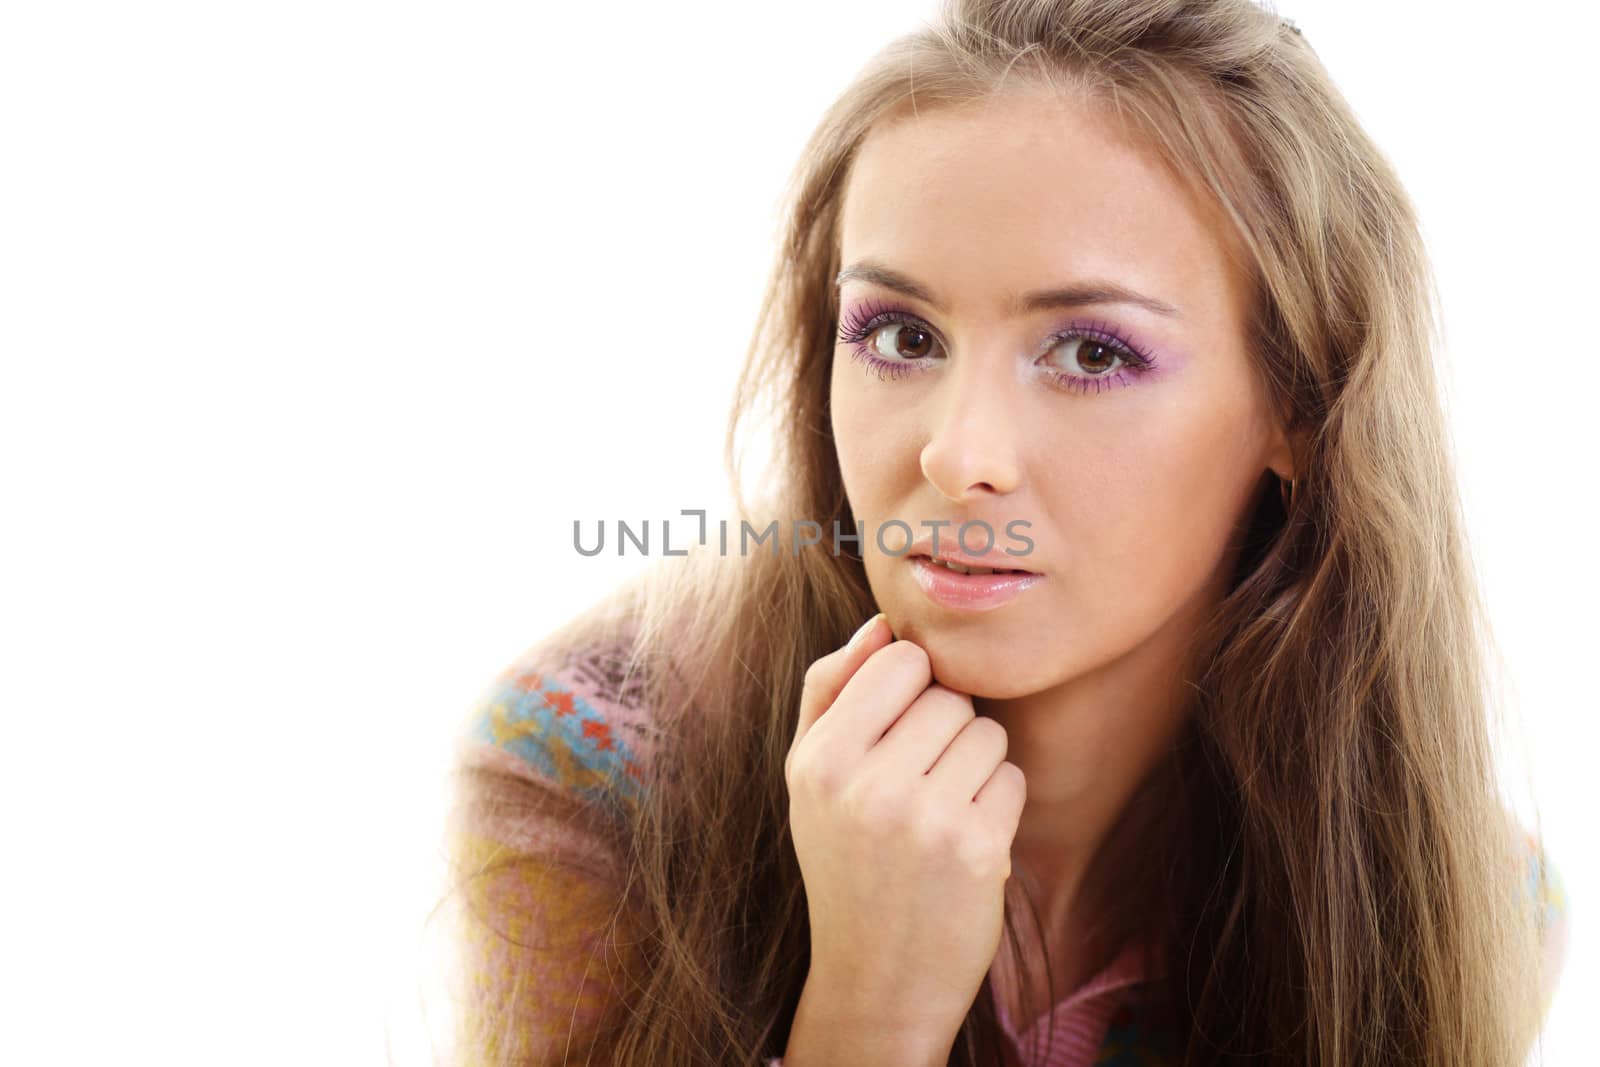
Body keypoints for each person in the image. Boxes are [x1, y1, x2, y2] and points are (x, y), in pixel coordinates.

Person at [435, 0, 1568, 1063]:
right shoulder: (597, 773)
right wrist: (870, 1012)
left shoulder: (1467, 905)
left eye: (1091, 353)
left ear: (1300, 408)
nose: (956, 452)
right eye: (900, 336)